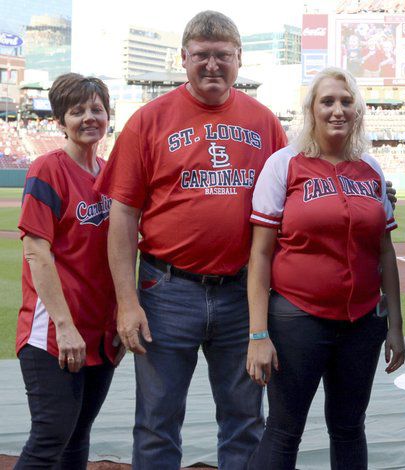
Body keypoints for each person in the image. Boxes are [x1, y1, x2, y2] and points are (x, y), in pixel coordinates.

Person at [94, 11, 288, 469]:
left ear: (240, 59)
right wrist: (126, 302)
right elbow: (122, 216)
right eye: (202, 55)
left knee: (245, 420)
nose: (213, 65)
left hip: (243, 294)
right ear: (183, 58)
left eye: (223, 56)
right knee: (157, 421)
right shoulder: (148, 120)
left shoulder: (264, 123)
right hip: (166, 290)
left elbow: (286, 207)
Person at [245, 67, 405, 470]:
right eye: (327, 101)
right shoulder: (284, 163)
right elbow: (260, 255)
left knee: (350, 428)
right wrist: (258, 333)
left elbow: (385, 251)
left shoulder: (370, 168)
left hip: (362, 322)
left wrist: (396, 326)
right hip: (297, 317)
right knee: (284, 430)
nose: (337, 110)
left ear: (358, 111)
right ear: (311, 110)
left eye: (346, 101)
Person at [16, 73, 123, 468]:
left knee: (78, 436)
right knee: (51, 436)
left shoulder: (112, 174)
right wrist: (64, 326)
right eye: (77, 111)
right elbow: (37, 252)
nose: (89, 118)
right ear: (60, 122)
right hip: (54, 332)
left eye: (97, 109)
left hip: (99, 331)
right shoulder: (48, 168)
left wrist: (120, 318)